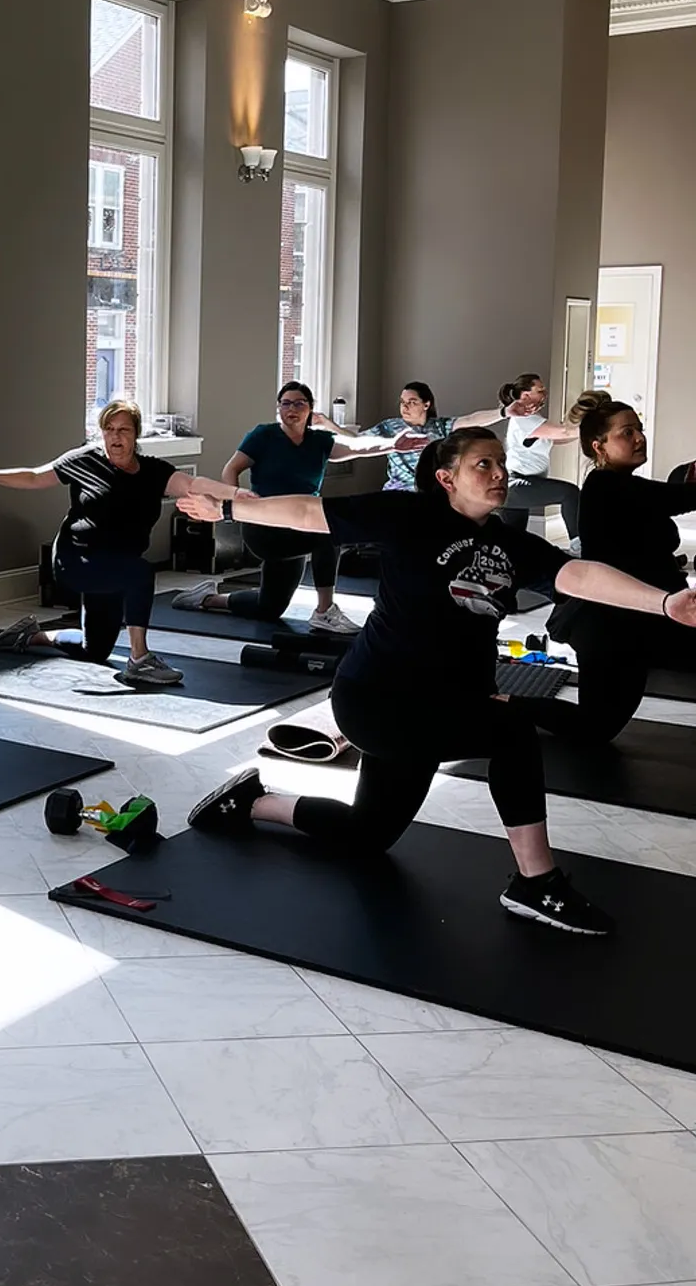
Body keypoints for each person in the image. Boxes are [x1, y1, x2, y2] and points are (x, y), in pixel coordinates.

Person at [179, 427, 696, 935]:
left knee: (368, 833)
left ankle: (250, 800)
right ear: (447, 478)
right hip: (379, 698)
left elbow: (578, 577)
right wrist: (227, 508)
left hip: (441, 700)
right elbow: (308, 512)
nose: (499, 474)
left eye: (501, 464)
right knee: (511, 732)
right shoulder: (409, 515)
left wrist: (666, 603)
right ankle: (536, 882)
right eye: (483, 465)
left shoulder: (511, 544)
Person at [0, 399, 233, 687]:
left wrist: (236, 497)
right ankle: (139, 659)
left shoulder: (154, 472)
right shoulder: (85, 461)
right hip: (76, 560)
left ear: (136, 434)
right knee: (141, 573)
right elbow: (34, 477)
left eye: (124, 430)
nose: (115, 436)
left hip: (116, 565)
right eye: (109, 429)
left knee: (95, 650)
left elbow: (193, 486)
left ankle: (30, 635)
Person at [172, 381, 430, 632]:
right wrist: (235, 501)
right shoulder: (264, 435)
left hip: (300, 523)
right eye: (285, 404)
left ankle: (206, 598)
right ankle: (324, 611)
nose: (291, 409)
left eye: (298, 403)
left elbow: (356, 447)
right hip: (266, 526)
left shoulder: (319, 441)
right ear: (278, 408)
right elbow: (232, 468)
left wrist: (392, 445)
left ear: (310, 409)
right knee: (329, 534)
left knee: (269, 607)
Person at [528, 393, 696, 743]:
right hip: (609, 624)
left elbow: (668, 497)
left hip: (649, 612)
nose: (639, 438)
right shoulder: (603, 486)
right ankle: (502, 704)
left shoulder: (627, 487)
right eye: (627, 432)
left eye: (639, 429)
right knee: (595, 726)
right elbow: (677, 498)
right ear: (598, 446)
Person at [313, 381, 521, 493]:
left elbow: (471, 420)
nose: (405, 406)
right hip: (398, 491)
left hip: (430, 492)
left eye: (411, 401)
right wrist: (326, 423)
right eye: (402, 401)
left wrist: (503, 412)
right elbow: (355, 439)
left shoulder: (440, 427)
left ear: (426, 404)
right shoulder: (389, 426)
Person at [494, 373, 584, 545]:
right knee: (569, 493)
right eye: (540, 390)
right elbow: (563, 432)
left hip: (524, 483)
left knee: (513, 540)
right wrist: (593, 428)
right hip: (517, 483)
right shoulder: (523, 420)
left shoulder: (534, 421)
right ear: (526, 396)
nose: (545, 394)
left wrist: (585, 436)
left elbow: (559, 438)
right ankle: (577, 545)